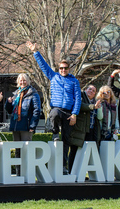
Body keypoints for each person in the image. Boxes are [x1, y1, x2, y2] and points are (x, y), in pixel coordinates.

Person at [27, 41, 81, 174]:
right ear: (58, 69)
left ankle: (63, 166)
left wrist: (74, 114)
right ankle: (55, 132)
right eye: (61, 68)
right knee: (54, 113)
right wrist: (35, 52)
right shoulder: (54, 76)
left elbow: (78, 98)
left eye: (65, 68)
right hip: (57, 108)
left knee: (67, 140)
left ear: (69, 69)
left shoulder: (74, 81)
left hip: (69, 112)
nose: (63, 70)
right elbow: (43, 66)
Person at [5, 73, 41, 176]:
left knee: (26, 151)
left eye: (24, 80)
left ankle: (27, 174)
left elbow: (37, 111)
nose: (22, 82)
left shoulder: (33, 94)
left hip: (26, 126)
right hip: (16, 126)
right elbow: (9, 110)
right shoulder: (15, 94)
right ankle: (18, 174)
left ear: (28, 81)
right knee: (18, 151)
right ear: (18, 82)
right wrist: (8, 102)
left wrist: (32, 126)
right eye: (20, 80)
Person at [68, 85, 103, 172]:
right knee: (74, 151)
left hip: (90, 130)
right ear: (86, 89)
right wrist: (93, 107)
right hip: (79, 130)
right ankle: (71, 172)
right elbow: (81, 106)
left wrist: (98, 107)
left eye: (93, 90)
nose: (91, 91)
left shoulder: (95, 102)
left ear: (95, 94)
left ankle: (81, 173)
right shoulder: (79, 97)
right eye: (89, 89)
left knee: (86, 153)